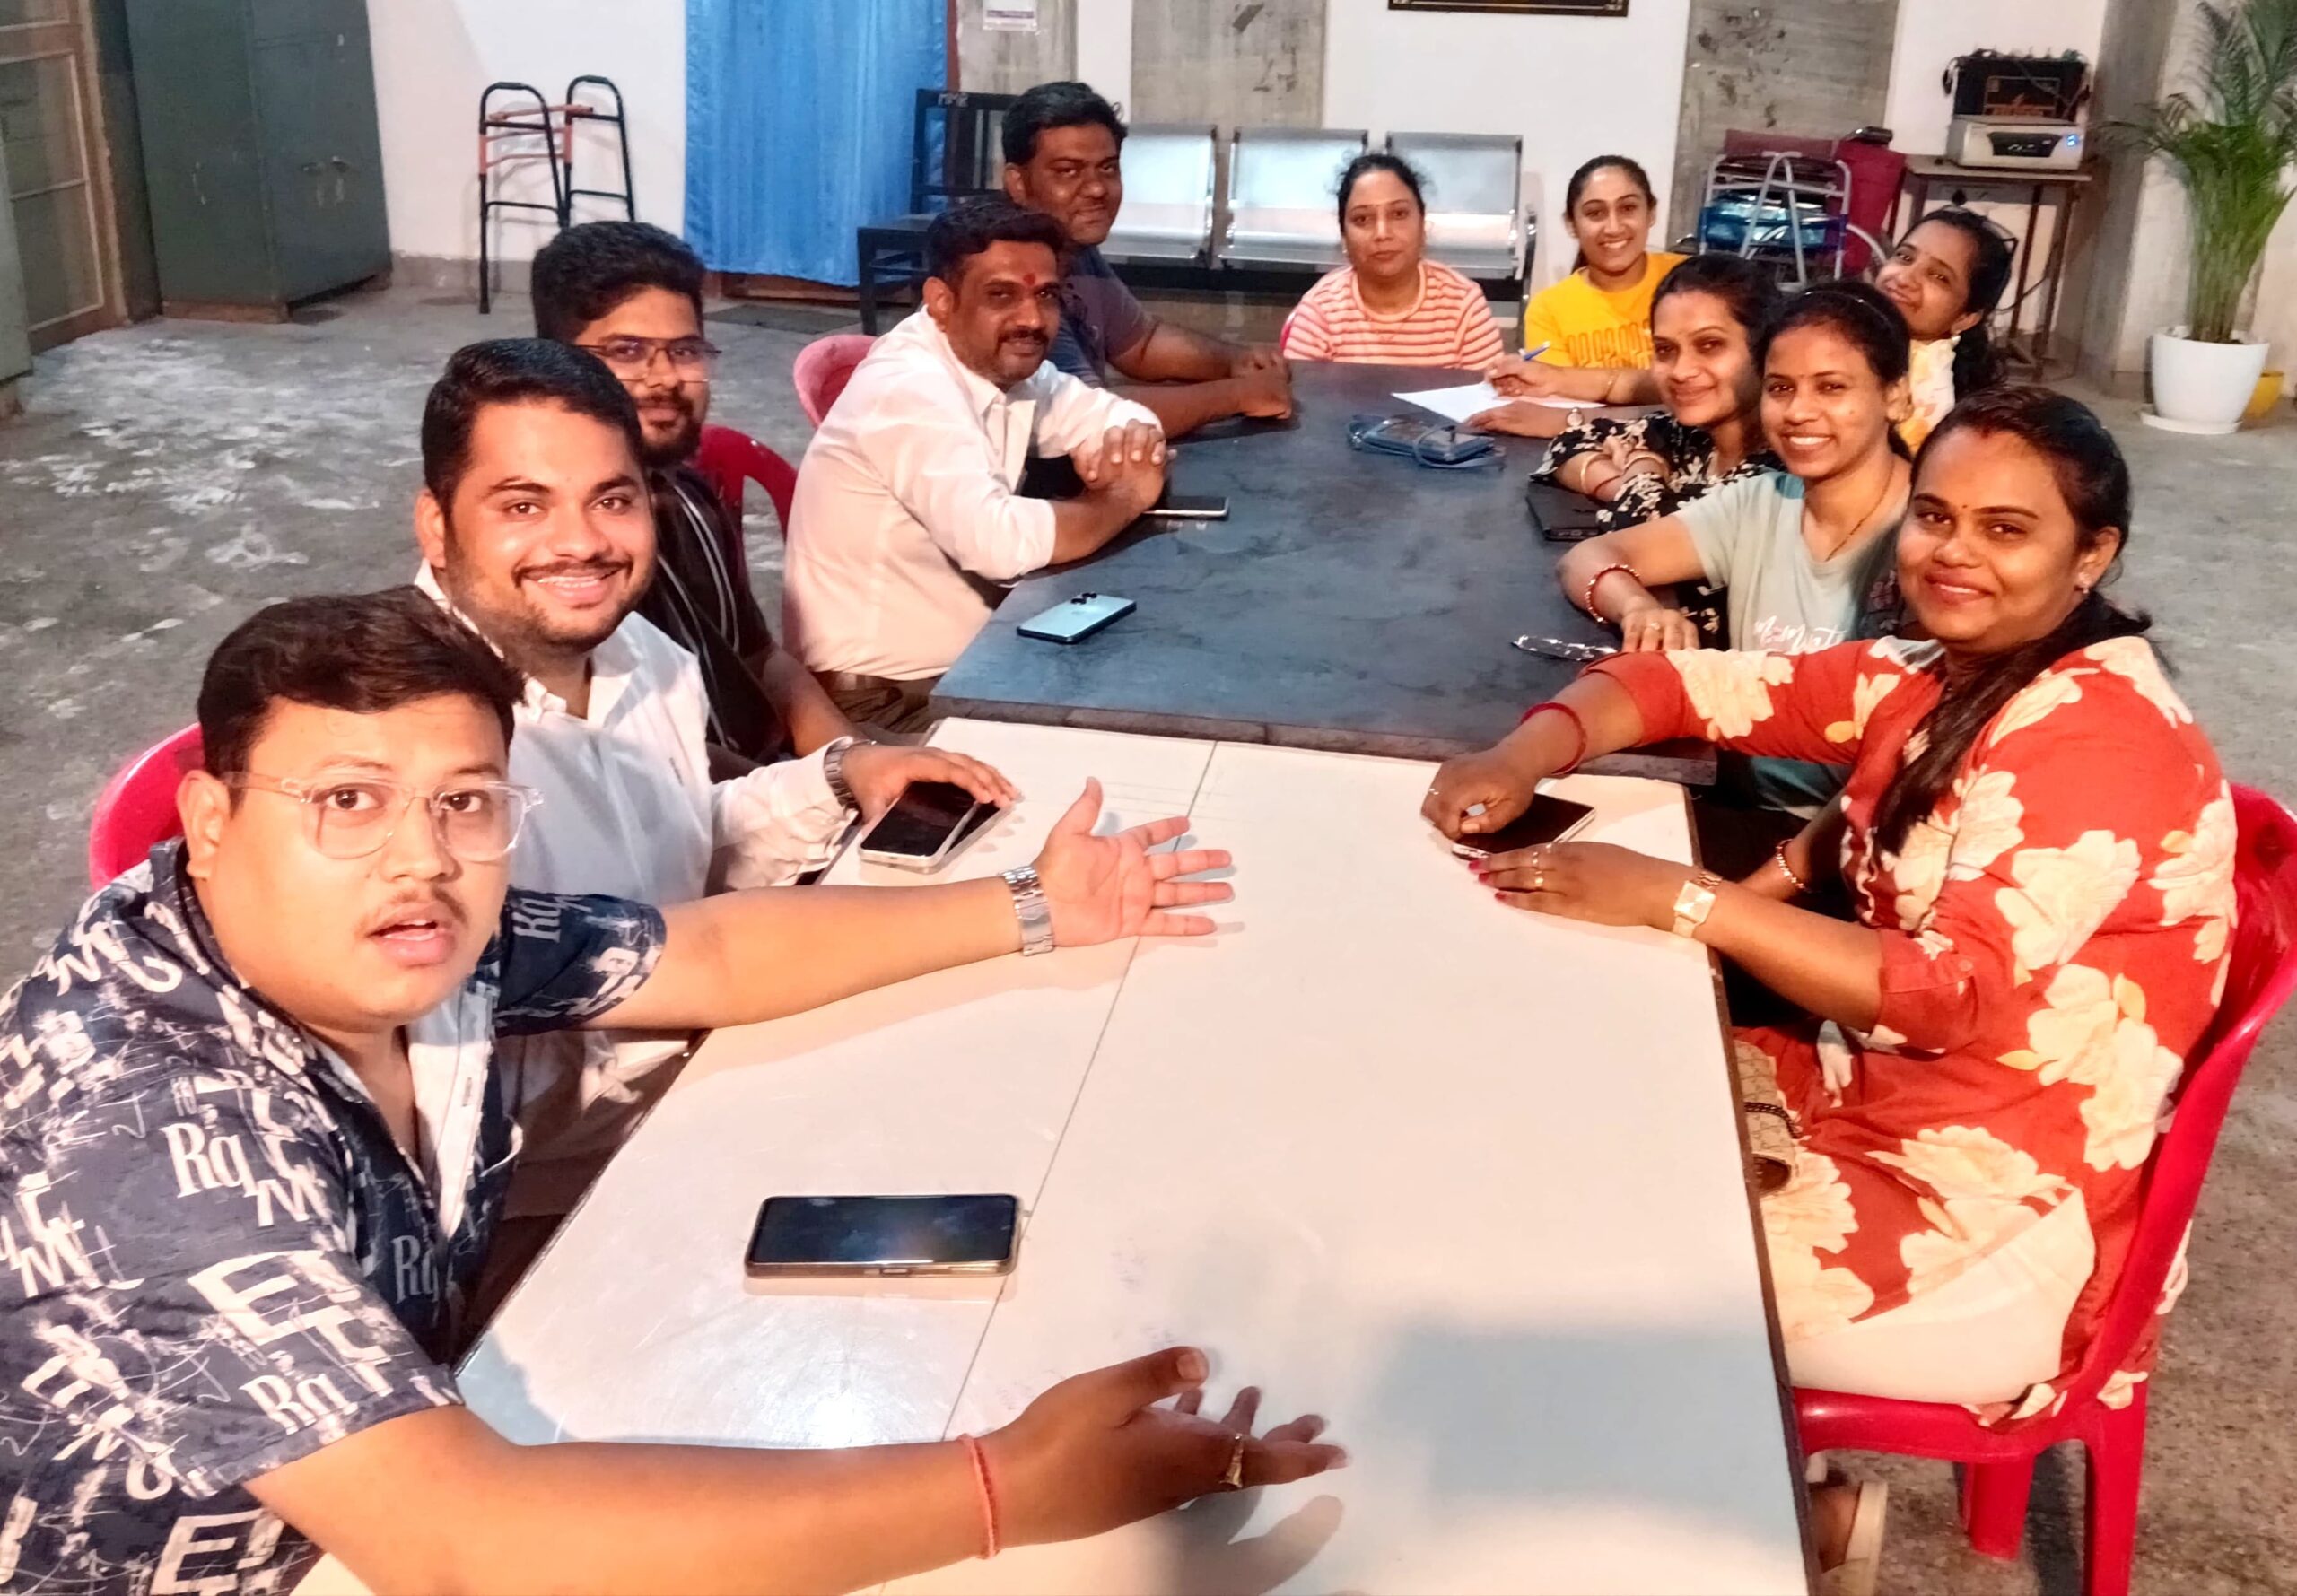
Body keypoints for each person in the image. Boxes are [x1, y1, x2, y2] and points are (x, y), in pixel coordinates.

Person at [0, 586, 1340, 1592]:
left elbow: (695, 953)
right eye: (347, 800)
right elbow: (462, 1542)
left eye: (466, 800)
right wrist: (1006, 1489)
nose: (421, 856)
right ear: (212, 820)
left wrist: (1038, 906)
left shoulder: (387, 929)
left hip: (381, 1461)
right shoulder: (139, 1132)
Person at [1426, 386, 2231, 1593]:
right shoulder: (1938, 674)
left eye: (2007, 529)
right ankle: (1787, 1512)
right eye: (1937, 515)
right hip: (1883, 1100)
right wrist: (1518, 752)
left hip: (1998, 1212)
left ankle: (1741, 1531)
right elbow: (1683, 689)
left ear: (2091, 553)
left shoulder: (2097, 740)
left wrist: (1679, 898)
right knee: (1544, 1099)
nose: (1954, 552)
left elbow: (1944, 993)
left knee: (1558, 1267)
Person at [411, 337, 1017, 1273]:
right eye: (523, 505)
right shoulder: (402, 742)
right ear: (435, 524)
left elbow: (680, 839)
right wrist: (739, 988)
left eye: (611, 499)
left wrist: (837, 777)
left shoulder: (645, 657)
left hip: (691, 1095)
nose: (580, 542)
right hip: (536, 1210)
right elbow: (462, 1082)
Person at [783, 196, 1168, 733]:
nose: (1031, 319)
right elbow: (999, 544)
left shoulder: (1000, 363)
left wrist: (1125, 447)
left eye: (1046, 295)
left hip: (968, 664)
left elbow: (1123, 417)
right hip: (885, 703)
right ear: (941, 301)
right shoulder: (909, 389)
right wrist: (1121, 498)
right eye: (1001, 295)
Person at [1553, 279, 1915, 839]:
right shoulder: (1761, 502)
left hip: (1849, 843)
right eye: (1781, 388)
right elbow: (1589, 557)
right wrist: (1637, 606)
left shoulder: (1929, 532)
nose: (1799, 412)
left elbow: (1903, 771)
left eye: (1831, 387)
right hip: (1738, 805)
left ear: (1895, 395)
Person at [532, 220, 857, 763]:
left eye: (684, 351)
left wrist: (851, 757)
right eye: (627, 351)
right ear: (557, 363)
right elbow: (636, 760)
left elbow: (762, 659)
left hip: (764, 778)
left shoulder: (691, 497)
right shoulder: (563, 552)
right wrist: (816, 790)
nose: (664, 379)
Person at [1000, 80, 1294, 434]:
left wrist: (1237, 360)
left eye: (1107, 168)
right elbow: (1087, 416)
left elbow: (1141, 343)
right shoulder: (1009, 275)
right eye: (1068, 171)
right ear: (1018, 183)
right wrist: (1238, 395)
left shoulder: (1072, 249)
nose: (1096, 189)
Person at [1508, 251, 1783, 531]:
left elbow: (1649, 521)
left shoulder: (1781, 474)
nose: (1680, 371)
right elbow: (1568, 444)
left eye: (1709, 345)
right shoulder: (1690, 439)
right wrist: (1619, 484)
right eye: (1665, 349)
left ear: (1766, 350)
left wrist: (1642, 464)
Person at [1476, 154, 1685, 436]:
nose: (1613, 227)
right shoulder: (1549, 308)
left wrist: (1563, 384)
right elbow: (1557, 411)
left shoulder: (1687, 282)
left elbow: (1688, 387)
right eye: (1595, 213)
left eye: (1628, 208)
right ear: (1571, 224)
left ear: (1651, 213)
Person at [1278, 153, 1507, 369]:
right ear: (1344, 236)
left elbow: (1488, 395)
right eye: (1362, 219)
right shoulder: (1321, 309)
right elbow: (1297, 395)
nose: (1382, 233)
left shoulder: (1463, 304)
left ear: (1422, 224)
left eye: (1399, 214)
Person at [1873, 207, 2013, 452]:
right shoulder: (1864, 336)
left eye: (1938, 276)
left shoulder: (1925, 399)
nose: (1905, 278)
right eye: (1905, 257)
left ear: (1965, 318)